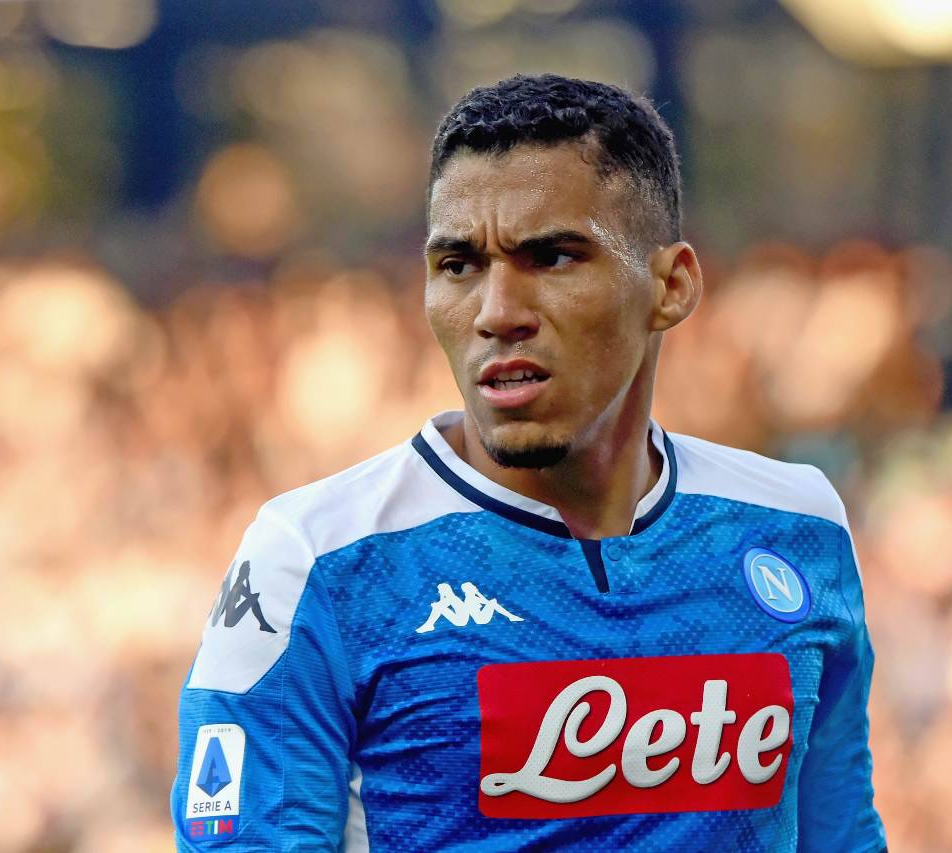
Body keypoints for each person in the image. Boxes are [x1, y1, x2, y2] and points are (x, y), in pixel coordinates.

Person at [171, 73, 887, 852]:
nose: (497, 312)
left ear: (671, 286)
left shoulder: (796, 526)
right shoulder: (315, 559)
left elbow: (842, 836)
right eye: (458, 265)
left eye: (551, 257)